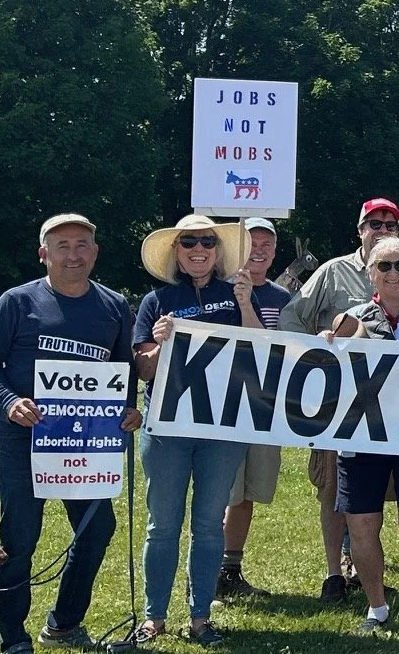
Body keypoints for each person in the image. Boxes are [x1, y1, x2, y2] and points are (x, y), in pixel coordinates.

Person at [0, 214, 141, 654]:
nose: (73, 255)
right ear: (44, 254)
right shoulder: (16, 302)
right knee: (19, 540)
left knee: (97, 529)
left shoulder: (113, 306)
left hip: (86, 444)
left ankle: (64, 624)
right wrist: (9, 402)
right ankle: (13, 638)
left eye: (82, 245)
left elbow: (123, 371)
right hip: (23, 442)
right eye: (62, 246)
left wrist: (127, 410)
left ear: (95, 253)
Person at [130, 215, 257, 646]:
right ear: (177, 252)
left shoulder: (238, 293)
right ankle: (155, 617)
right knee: (162, 524)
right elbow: (144, 368)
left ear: (218, 251)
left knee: (208, 524)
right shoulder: (156, 301)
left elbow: (262, 354)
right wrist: (158, 342)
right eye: (189, 242)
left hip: (222, 425)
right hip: (167, 426)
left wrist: (246, 305)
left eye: (207, 241)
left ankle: (201, 617)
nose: (198, 249)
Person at [321, 236, 399, 634]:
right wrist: (327, 346)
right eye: (384, 266)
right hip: (362, 436)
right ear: (369, 272)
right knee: (361, 524)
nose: (393, 273)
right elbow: (327, 372)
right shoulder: (351, 319)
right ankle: (376, 607)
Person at [279, 196, 399, 603]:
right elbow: (291, 316)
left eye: (390, 225)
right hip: (337, 404)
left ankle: (364, 569)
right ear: (360, 230)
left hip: (388, 406)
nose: (382, 231)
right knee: (333, 490)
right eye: (374, 224)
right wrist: (312, 356)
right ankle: (334, 573)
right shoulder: (333, 271)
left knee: (374, 494)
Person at [218, 217, 291, 600]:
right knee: (219, 492)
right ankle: (207, 571)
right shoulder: (218, 290)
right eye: (250, 243)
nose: (258, 250)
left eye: (266, 244)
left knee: (248, 493)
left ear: (275, 251)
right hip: (223, 407)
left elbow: (282, 352)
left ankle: (230, 570)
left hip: (264, 407)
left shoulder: (283, 298)